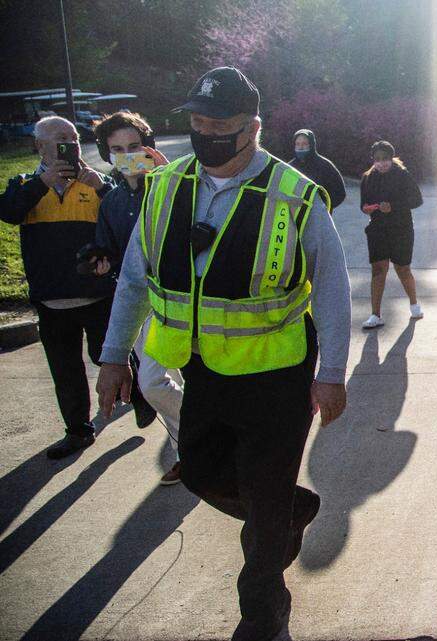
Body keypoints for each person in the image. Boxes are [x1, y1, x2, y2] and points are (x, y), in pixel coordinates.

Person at [94, 66, 351, 641]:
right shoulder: (164, 186)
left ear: (252, 128)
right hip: (202, 369)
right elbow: (134, 278)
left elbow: (333, 289)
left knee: (264, 498)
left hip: (278, 375)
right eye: (197, 123)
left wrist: (332, 373)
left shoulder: (295, 195)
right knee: (200, 472)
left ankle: (262, 613)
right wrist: (114, 357)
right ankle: (287, 511)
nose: (206, 134)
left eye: (219, 125)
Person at [0, 116, 116, 459]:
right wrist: (42, 183)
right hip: (51, 299)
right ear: (40, 146)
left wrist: (102, 187)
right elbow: (9, 212)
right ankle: (78, 431)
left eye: (75, 138)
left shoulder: (96, 181)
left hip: (97, 294)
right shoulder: (24, 184)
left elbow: (123, 214)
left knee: (108, 357)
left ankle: (139, 394)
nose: (72, 144)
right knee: (66, 372)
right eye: (62, 138)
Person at [92, 111, 185, 485]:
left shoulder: (174, 185)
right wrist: (99, 261)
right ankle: (193, 446)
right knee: (159, 382)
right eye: (117, 150)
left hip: (179, 301)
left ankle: (200, 439)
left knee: (163, 381)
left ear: (148, 147)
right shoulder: (111, 202)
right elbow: (111, 250)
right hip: (141, 307)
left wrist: (169, 181)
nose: (127, 155)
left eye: (134, 147)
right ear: (107, 154)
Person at [359, 140, 424, 329]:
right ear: (373, 160)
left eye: (385, 158)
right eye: (377, 159)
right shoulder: (367, 178)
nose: (381, 163)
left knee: (402, 268)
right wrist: (366, 208)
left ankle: (414, 305)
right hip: (377, 229)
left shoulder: (402, 175)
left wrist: (393, 206)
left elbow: (417, 200)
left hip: (401, 229)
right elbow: (363, 204)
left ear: (391, 158)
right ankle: (375, 314)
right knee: (378, 270)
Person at [289, 128, 346, 211]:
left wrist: (324, 207)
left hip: (320, 216)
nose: (301, 147)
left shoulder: (325, 166)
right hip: (294, 215)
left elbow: (340, 192)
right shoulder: (289, 167)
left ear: (312, 145)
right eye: (297, 144)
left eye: (304, 144)